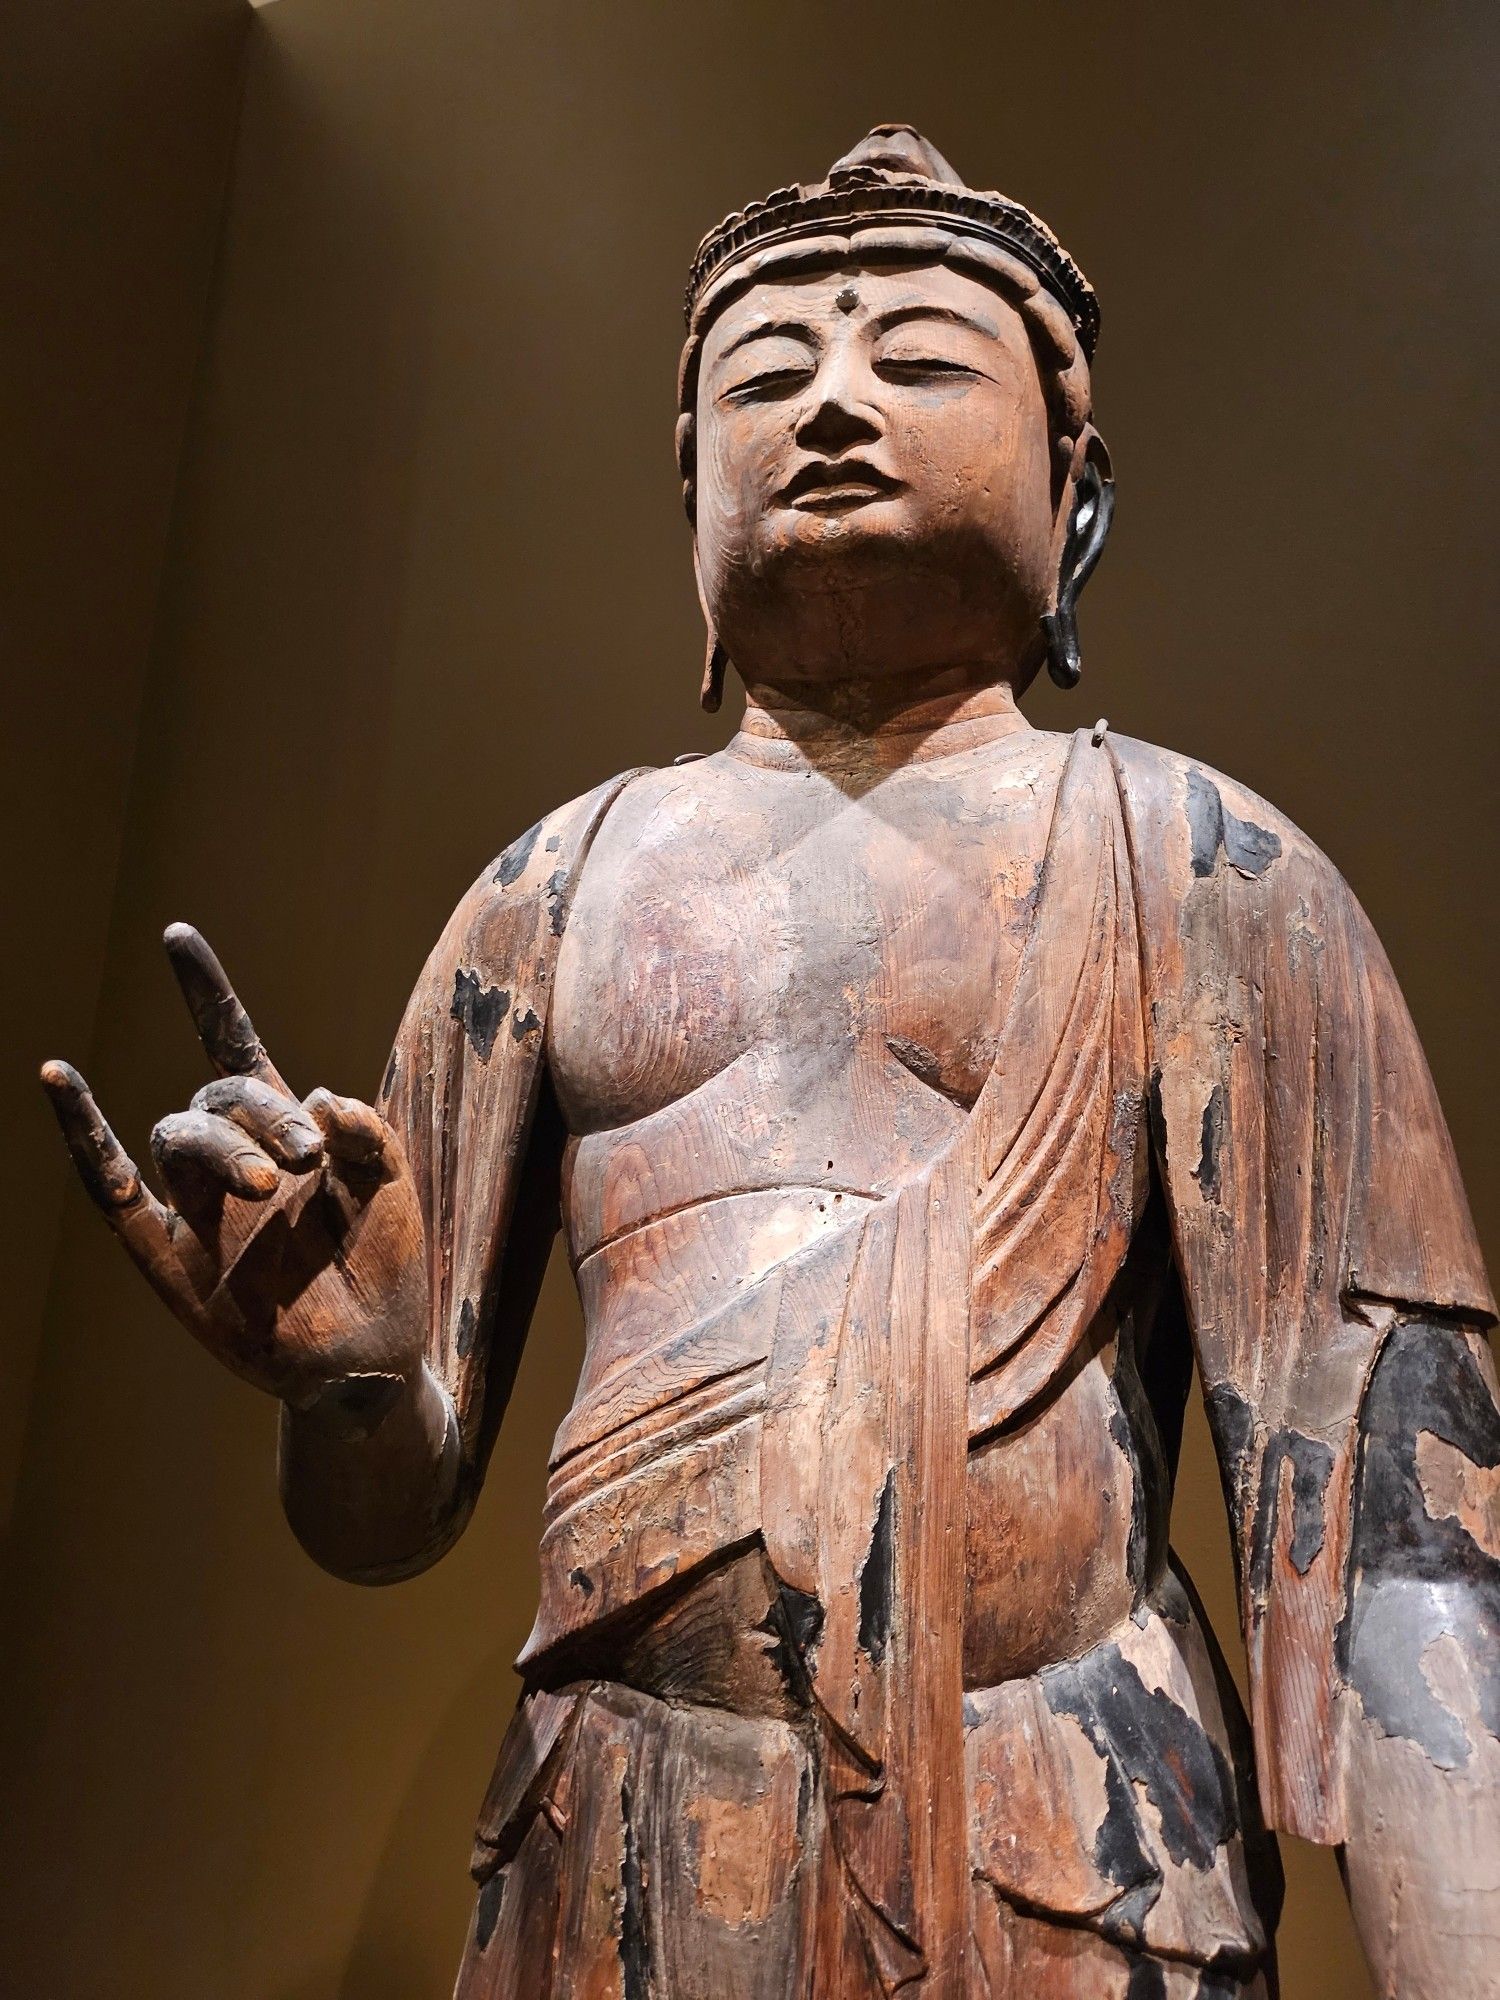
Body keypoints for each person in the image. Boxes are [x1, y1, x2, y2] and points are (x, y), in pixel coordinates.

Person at [43, 127, 1499, 1998]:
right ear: (690, 513)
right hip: (612, 1836)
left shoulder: (1209, 873)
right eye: (767, 374)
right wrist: (347, 1389)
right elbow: (388, 1517)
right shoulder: (550, 891)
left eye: (915, 362)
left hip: (1066, 1830)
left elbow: (1408, 1543)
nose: (828, 403)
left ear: (1077, 502)